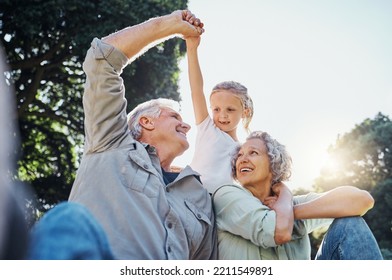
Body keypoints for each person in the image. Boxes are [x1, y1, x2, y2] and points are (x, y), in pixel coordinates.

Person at [67, 10, 217, 260]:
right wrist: (167, 25)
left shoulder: (200, 194)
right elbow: (101, 60)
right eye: (175, 117)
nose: (187, 126)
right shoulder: (111, 142)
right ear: (146, 122)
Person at [213, 130, 383, 260]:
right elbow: (280, 232)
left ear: (273, 164)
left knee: (349, 223)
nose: (242, 159)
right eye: (240, 155)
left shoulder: (292, 204)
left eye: (253, 153)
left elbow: (362, 200)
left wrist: (289, 205)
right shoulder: (227, 196)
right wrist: (285, 203)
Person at [185, 35, 254, 193]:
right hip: (189, 193)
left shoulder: (242, 150)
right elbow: (196, 90)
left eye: (230, 110)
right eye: (216, 109)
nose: (222, 116)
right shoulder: (207, 128)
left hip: (214, 207)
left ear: (245, 112)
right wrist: (192, 48)